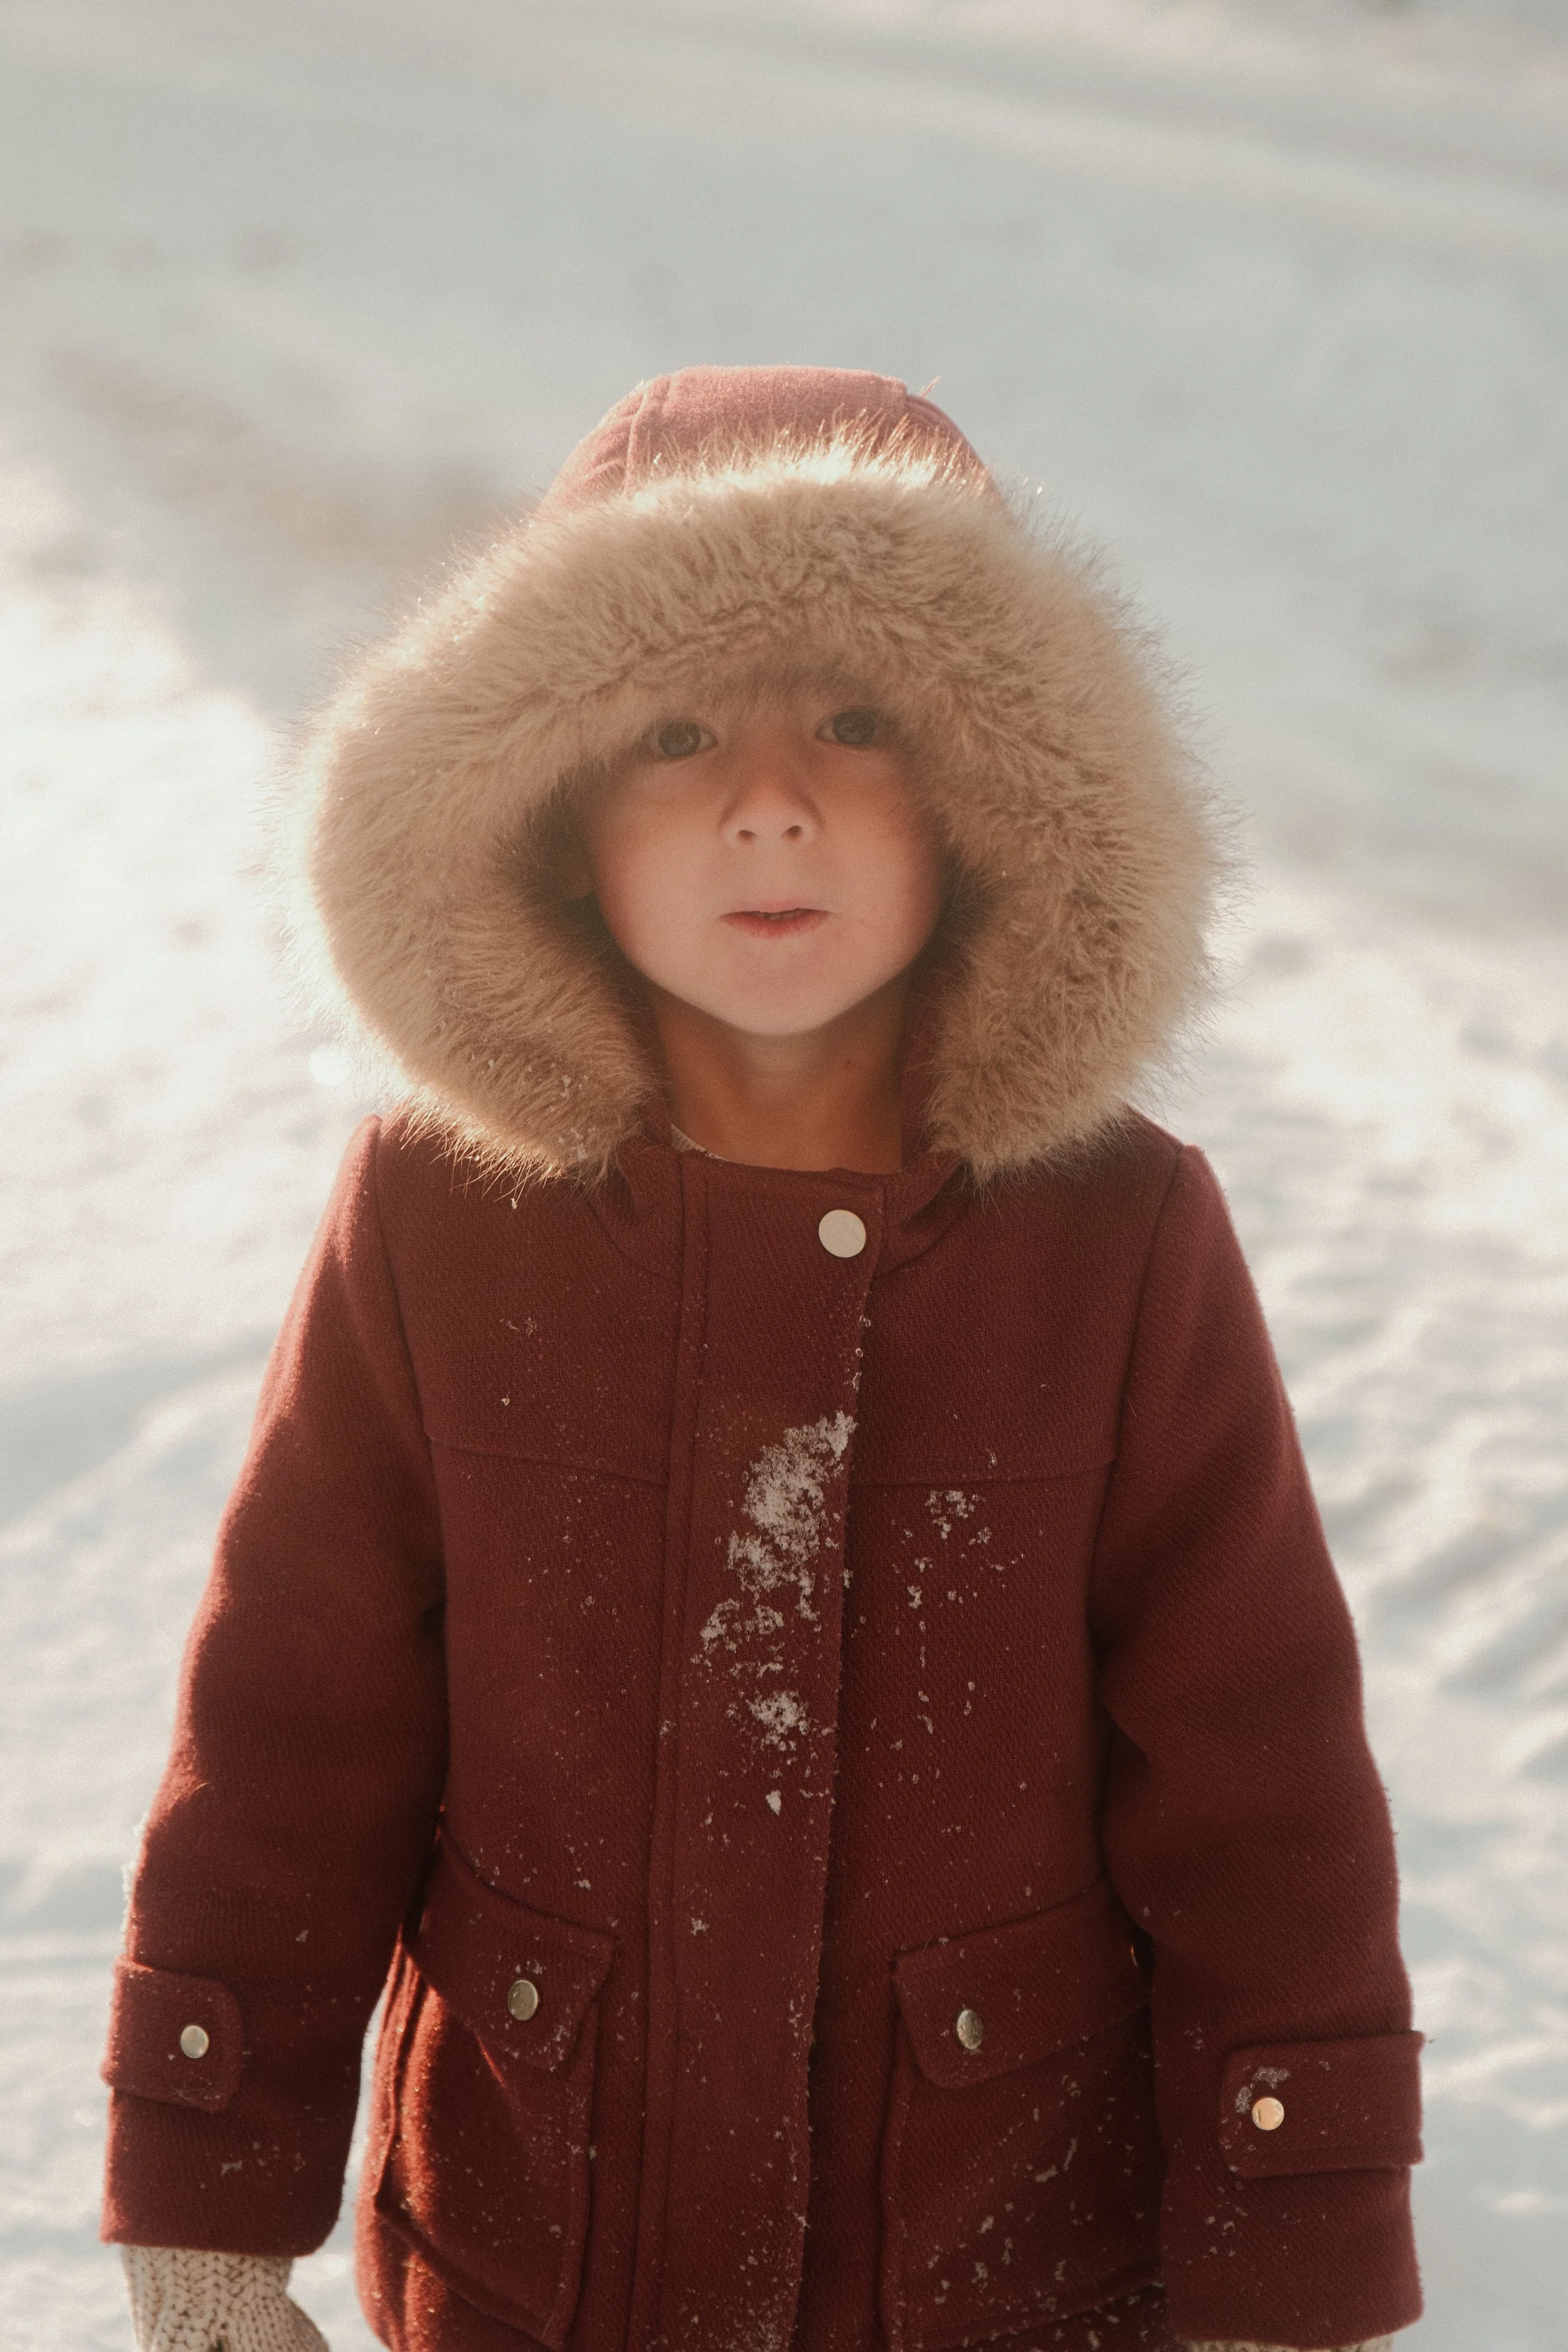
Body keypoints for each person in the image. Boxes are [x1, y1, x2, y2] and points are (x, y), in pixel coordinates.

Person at [101, 368, 1422, 2352]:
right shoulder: (441, 1218)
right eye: (676, 729)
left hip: (998, 2273)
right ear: (552, 812)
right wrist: (210, 2203)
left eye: (855, 722)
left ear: (990, 790)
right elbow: (293, 1722)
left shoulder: (1116, 1235)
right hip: (535, 2267)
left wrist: (1281, 2269)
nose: (769, 800)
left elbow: (1259, 1779)